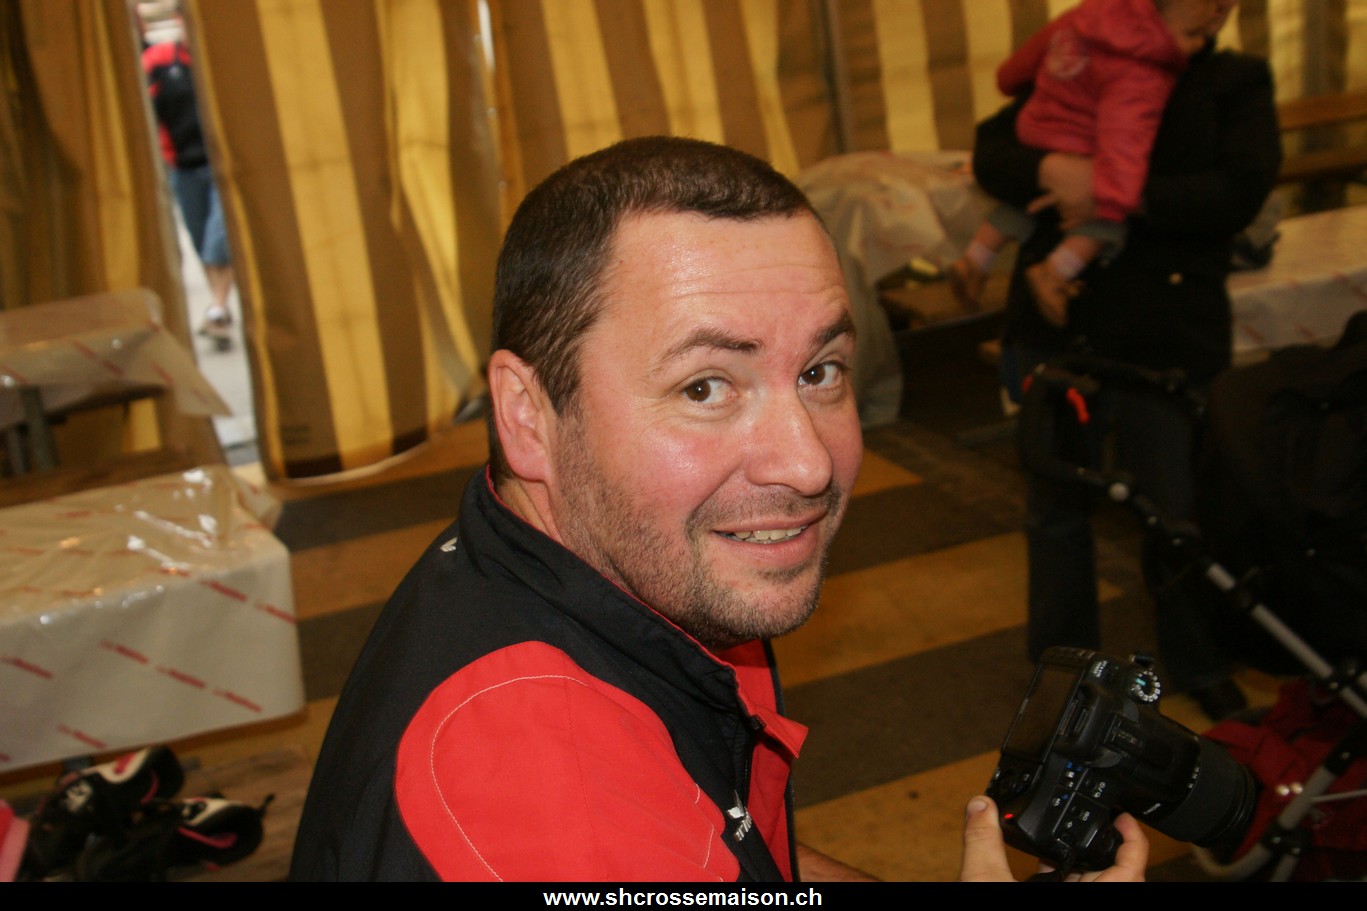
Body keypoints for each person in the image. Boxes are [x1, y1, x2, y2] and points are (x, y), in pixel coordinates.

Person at [287, 136, 1148, 882]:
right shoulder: (555, 809)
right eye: (705, 386)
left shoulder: (611, 565)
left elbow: (713, 845)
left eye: (819, 372)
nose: (807, 463)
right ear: (527, 415)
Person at [970, 0, 1281, 721]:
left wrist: (1118, 192)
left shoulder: (1232, 81)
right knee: (1055, 510)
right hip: (1060, 327)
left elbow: (1236, 192)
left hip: (1164, 327)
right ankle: (1062, 670)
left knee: (1174, 510)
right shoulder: (1088, 41)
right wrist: (1054, 167)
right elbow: (994, 149)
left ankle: (1199, 661)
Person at [950, 0, 1219, 322]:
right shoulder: (1142, 71)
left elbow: (1025, 60)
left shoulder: (1084, 16)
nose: (1200, 43)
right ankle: (1055, 272)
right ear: (1156, 24)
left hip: (1035, 127)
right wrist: (1112, 203)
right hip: (1078, 143)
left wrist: (1009, 80)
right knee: (1105, 222)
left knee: (1024, 200)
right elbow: (1124, 140)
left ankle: (975, 259)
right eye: (1191, 33)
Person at [141, 10, 237, 349]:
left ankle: (218, 308)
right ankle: (219, 306)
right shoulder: (159, 61)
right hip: (183, 167)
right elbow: (144, 109)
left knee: (217, 240)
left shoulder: (223, 60)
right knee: (201, 241)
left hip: (223, 166)